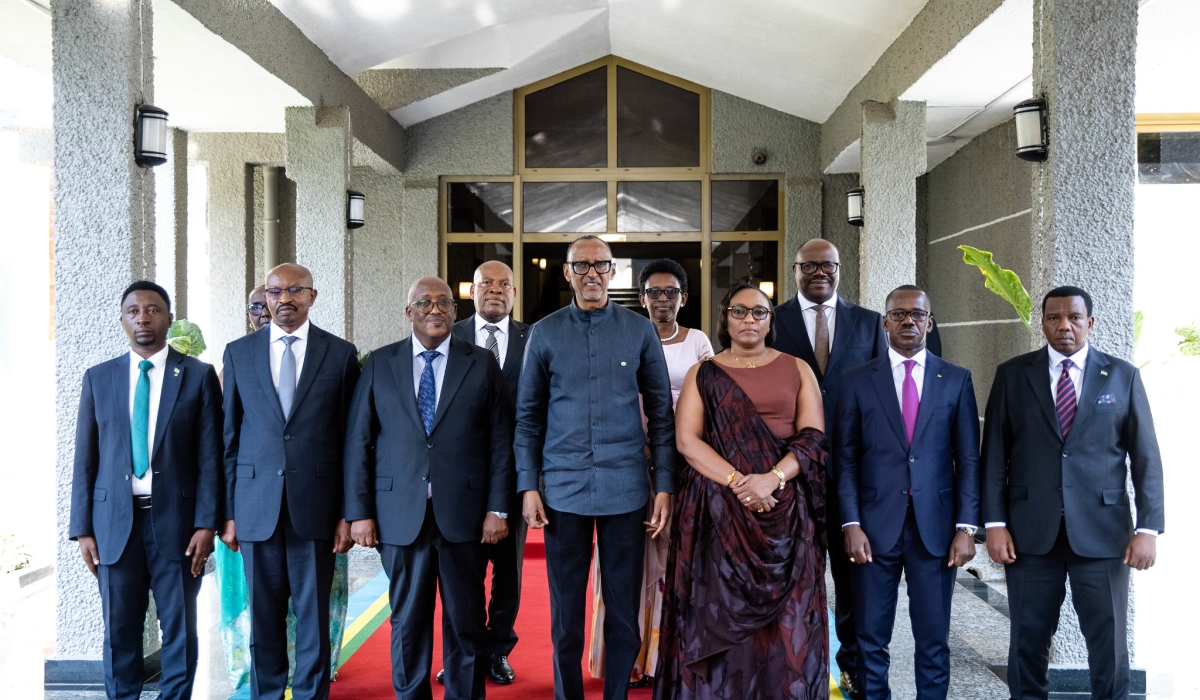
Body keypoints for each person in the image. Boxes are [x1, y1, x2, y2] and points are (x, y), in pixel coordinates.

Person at [981, 286, 1165, 700]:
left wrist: (1148, 529)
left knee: (1109, 644)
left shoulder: (1122, 376)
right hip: (1029, 534)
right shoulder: (1013, 375)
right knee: (1027, 641)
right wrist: (994, 523)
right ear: (1043, 323)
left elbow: (1146, 458)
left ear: (1090, 323)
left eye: (1074, 318)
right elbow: (993, 455)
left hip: (1104, 535)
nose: (1064, 326)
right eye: (1054, 318)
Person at [515, 234, 676, 700]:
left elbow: (661, 415)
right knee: (566, 615)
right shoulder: (544, 333)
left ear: (613, 271)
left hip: (626, 490)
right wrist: (528, 485)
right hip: (562, 491)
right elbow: (528, 417)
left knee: (624, 613)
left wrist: (664, 485)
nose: (591, 273)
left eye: (600, 264)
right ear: (567, 272)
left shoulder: (639, 331)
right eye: (581, 265)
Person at [344, 276, 515, 700]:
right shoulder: (380, 363)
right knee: (407, 622)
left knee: (466, 621)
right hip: (400, 515)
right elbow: (359, 441)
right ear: (409, 312)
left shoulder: (481, 362)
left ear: (455, 312)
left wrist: (498, 508)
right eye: (424, 303)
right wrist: (359, 512)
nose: (435, 309)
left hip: (464, 515)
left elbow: (500, 440)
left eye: (444, 303)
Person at [655, 283, 827, 700]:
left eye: (759, 312)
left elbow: (813, 438)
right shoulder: (704, 372)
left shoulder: (798, 368)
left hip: (785, 512)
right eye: (739, 311)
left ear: (770, 321)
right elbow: (687, 441)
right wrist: (739, 482)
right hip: (717, 512)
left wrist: (773, 478)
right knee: (719, 613)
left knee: (788, 621)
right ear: (725, 319)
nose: (749, 319)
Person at [69, 281, 223, 700]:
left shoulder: (197, 376)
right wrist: (82, 529)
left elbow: (210, 457)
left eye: (153, 310)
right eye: (133, 311)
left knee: (179, 630)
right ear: (122, 319)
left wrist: (206, 524)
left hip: (178, 524)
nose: (143, 318)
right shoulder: (99, 378)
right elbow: (85, 459)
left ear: (169, 318)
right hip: (113, 526)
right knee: (119, 629)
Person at [220, 263, 360, 700]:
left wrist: (348, 513)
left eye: (295, 290)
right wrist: (227, 513)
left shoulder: (339, 354)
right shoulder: (238, 353)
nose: (285, 299)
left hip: (316, 509)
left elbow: (351, 440)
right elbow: (228, 439)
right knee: (263, 619)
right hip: (255, 508)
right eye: (276, 291)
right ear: (265, 298)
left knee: (313, 618)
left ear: (312, 296)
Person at [835, 285, 981, 700]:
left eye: (917, 314)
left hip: (935, 531)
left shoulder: (956, 379)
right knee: (870, 639)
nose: (908, 321)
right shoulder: (857, 380)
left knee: (933, 641)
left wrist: (966, 529)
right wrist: (850, 522)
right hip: (872, 529)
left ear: (929, 323)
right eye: (898, 314)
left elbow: (969, 460)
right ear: (885, 323)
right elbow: (845, 459)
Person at [769, 238, 886, 699]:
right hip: (789, 472)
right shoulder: (771, 320)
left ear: (840, 269)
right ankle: (787, 665)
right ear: (795, 269)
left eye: (828, 265)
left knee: (853, 578)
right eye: (810, 265)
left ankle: (852, 666)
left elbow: (881, 396)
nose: (820, 272)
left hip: (852, 475)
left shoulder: (869, 323)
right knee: (788, 574)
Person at [588, 258, 713, 688]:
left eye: (671, 292)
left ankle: (668, 658)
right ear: (641, 299)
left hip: (684, 463)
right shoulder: (624, 335)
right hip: (627, 461)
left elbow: (711, 398)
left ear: (684, 298)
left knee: (675, 555)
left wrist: (676, 444)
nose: (663, 299)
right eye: (654, 292)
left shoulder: (698, 342)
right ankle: (630, 660)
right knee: (626, 559)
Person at [446, 260, 529, 686]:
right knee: (463, 575)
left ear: (514, 292)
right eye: (486, 283)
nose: (495, 290)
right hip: (459, 476)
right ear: (472, 291)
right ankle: (466, 652)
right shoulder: (448, 334)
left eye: (504, 284)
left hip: (515, 473)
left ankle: (497, 650)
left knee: (508, 573)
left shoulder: (532, 338)